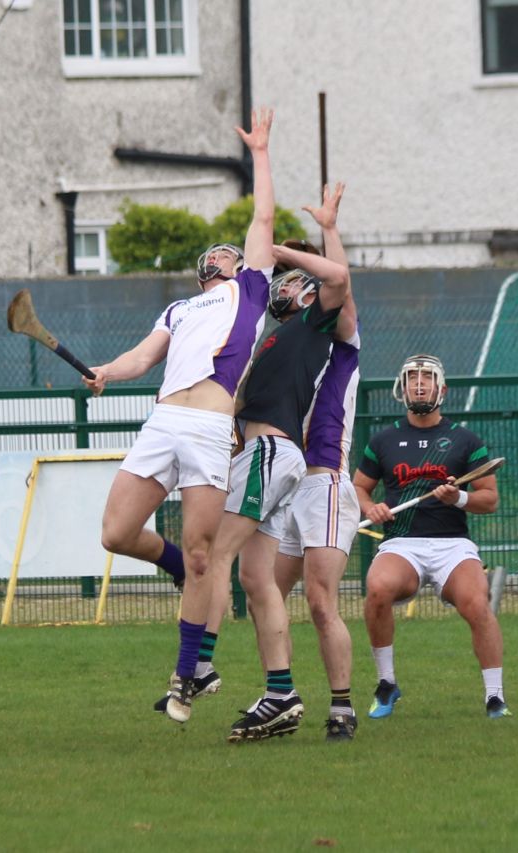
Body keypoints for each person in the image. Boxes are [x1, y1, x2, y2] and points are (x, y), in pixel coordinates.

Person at [85, 108, 278, 724]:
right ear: (204, 269)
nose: (226, 255)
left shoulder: (250, 291)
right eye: (218, 254)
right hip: (163, 422)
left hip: (207, 429)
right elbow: (143, 357)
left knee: (203, 554)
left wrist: (262, 154)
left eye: (232, 252)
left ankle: (188, 673)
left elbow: (264, 218)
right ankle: (170, 566)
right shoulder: (179, 309)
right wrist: (109, 372)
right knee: (115, 533)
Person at [213, 241, 353, 742]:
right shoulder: (273, 338)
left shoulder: (320, 325)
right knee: (257, 581)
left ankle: (197, 665)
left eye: (293, 277)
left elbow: (337, 276)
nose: (283, 283)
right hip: (270, 462)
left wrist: (275, 247)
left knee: (218, 556)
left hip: (297, 463)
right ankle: (279, 694)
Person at [354, 355, 508, 719]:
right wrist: (369, 508)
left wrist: (460, 497)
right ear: (402, 388)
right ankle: (387, 684)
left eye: (427, 378)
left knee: (476, 602)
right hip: (400, 544)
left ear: (442, 389)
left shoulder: (465, 440)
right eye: (412, 378)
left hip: (452, 544)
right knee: (377, 589)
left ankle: (495, 697)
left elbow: (490, 500)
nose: (419, 384)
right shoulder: (383, 439)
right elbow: (359, 488)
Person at [263, 183, 362, 741]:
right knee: (266, 595)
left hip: (323, 482)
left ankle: (342, 707)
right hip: (285, 485)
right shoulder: (288, 342)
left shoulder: (341, 334)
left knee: (321, 603)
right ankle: (279, 696)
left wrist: (326, 228)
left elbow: (339, 282)